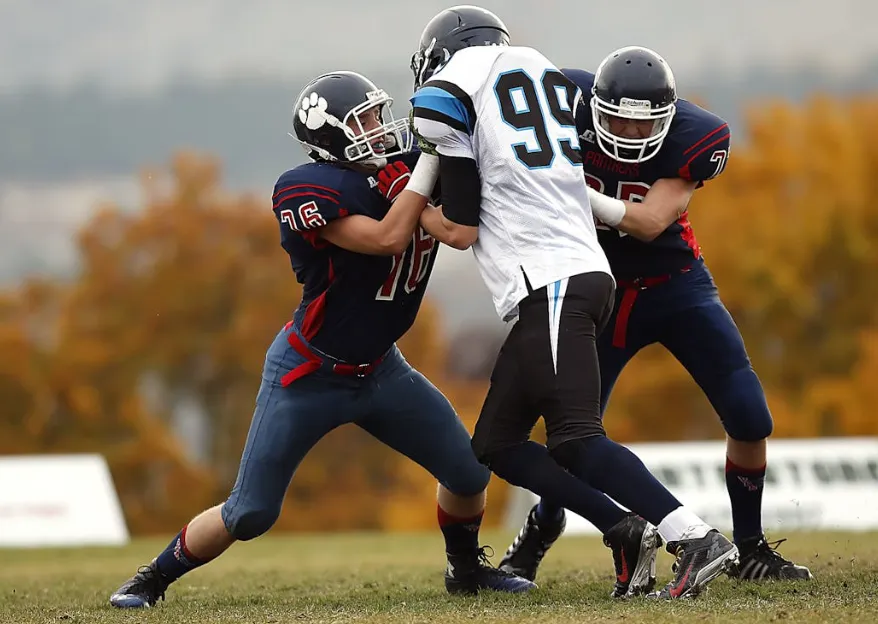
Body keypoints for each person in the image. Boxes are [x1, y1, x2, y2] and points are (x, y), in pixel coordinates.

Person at [108, 70, 536, 609]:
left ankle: (465, 569)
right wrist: (429, 163)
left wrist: (458, 143)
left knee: (468, 471)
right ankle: (150, 579)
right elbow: (386, 237)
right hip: (309, 373)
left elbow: (459, 225)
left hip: (382, 370)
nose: (381, 129)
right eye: (366, 122)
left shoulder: (402, 168)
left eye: (380, 116)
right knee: (251, 512)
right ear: (329, 137)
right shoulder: (310, 189)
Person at [408, 6, 738, 600]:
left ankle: (694, 537)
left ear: (440, 55)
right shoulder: (540, 69)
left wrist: (410, 201)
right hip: (573, 274)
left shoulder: (449, 87)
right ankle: (622, 530)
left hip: (552, 279)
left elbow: (460, 228)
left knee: (577, 438)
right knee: (496, 445)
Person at [499, 46, 813, 585]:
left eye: (644, 122)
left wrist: (567, 188)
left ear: (670, 117)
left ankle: (751, 546)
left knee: (750, 416)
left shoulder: (698, 135)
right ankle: (541, 526)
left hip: (675, 288)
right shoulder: (560, 101)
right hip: (595, 293)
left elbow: (647, 222)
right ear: (593, 105)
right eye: (616, 116)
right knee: (569, 439)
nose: (628, 131)